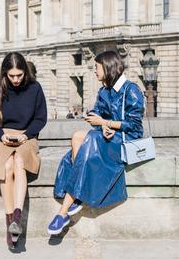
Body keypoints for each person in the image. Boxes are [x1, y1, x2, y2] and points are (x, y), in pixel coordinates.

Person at [47, 50, 145, 235]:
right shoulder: (104, 91)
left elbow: (134, 126)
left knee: (82, 140)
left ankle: (64, 210)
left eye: (97, 67)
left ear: (108, 68)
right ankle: (68, 207)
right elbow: (96, 117)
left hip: (127, 141)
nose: (94, 71)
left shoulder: (130, 90)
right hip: (110, 137)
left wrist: (105, 124)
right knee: (80, 139)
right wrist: (104, 127)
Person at [0, 52, 47, 250]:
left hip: (27, 136)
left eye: (19, 75)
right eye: (12, 76)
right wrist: (0, 135)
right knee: (7, 165)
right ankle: (10, 222)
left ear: (25, 72)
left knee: (19, 162)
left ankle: (17, 217)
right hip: (3, 135)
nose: (16, 80)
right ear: (5, 74)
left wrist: (26, 135)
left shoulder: (35, 87)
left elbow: (40, 118)